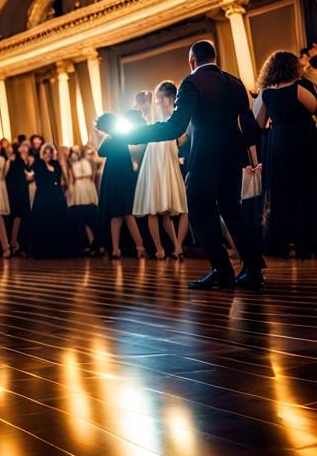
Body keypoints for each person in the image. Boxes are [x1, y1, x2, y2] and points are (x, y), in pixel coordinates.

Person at [115, 40, 264, 289]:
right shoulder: (235, 82)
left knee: (197, 208)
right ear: (214, 58)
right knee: (232, 211)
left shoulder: (191, 82)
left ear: (192, 61)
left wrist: (132, 134)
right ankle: (254, 270)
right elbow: (249, 125)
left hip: (205, 157)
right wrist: (254, 160)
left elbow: (175, 127)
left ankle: (222, 270)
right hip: (233, 156)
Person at [252, 51, 317, 257]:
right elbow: (315, 107)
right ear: (293, 67)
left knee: (282, 192)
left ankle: (285, 241)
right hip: (304, 140)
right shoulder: (300, 87)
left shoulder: (266, 94)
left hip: (278, 144)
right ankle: (307, 240)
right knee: (306, 189)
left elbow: (258, 124)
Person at [132, 81, 190, 259]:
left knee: (171, 208)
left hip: (168, 157)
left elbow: (184, 138)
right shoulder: (153, 112)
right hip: (155, 157)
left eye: (161, 97)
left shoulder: (179, 113)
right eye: (157, 98)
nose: (159, 101)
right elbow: (142, 107)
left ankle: (177, 246)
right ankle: (160, 249)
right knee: (154, 206)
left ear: (170, 97)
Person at [95, 112, 146, 259]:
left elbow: (101, 152)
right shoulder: (121, 137)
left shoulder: (112, 139)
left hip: (115, 177)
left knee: (120, 215)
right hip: (123, 177)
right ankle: (137, 247)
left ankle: (120, 249)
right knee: (123, 214)